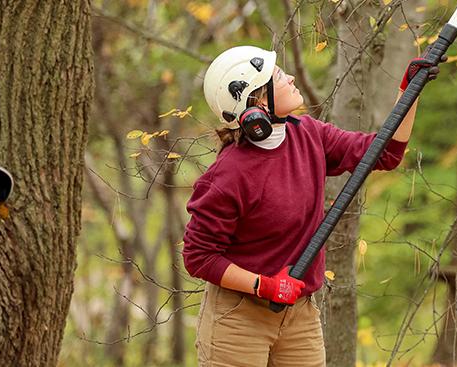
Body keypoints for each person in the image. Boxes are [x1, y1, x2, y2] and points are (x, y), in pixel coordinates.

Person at [182, 45, 441, 366]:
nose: (290, 77)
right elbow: (199, 257)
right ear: (258, 100)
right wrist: (265, 286)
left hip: (299, 315)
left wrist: (410, 94)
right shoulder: (228, 175)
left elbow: (385, 153)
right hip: (238, 319)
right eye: (279, 76)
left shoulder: (308, 134)